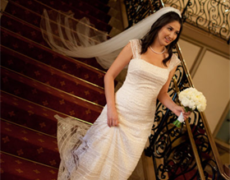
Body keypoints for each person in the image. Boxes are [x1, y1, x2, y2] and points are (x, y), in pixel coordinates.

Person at [45, 7, 191, 180]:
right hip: (120, 110)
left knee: (121, 168)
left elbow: (162, 94)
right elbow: (110, 76)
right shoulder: (135, 46)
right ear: (159, 25)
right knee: (96, 158)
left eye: (176, 32)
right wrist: (111, 109)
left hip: (141, 123)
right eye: (170, 28)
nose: (172, 35)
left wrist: (175, 107)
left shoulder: (172, 61)